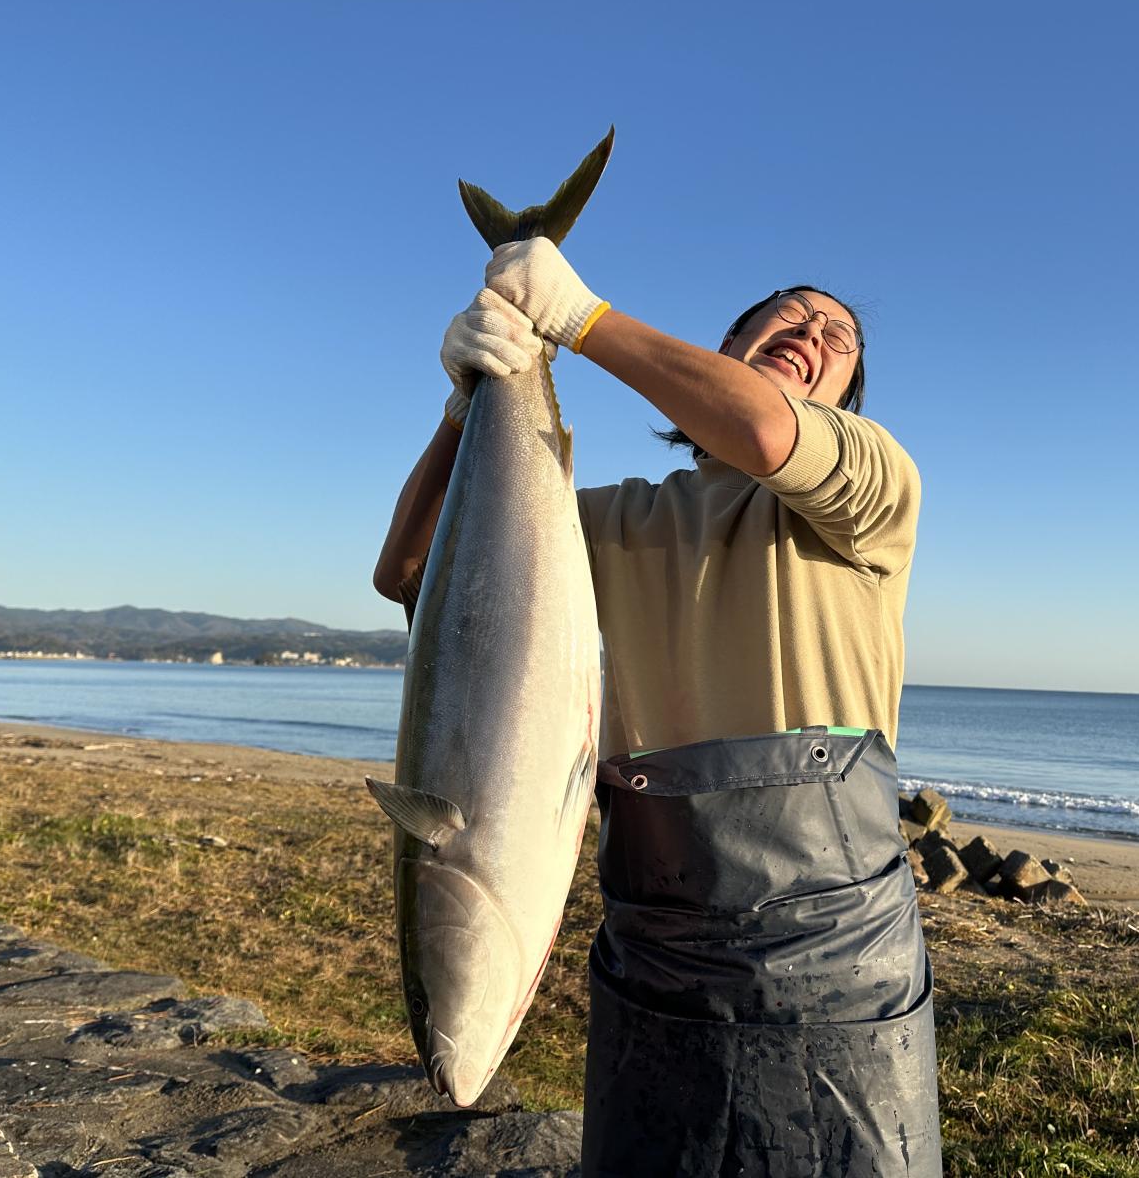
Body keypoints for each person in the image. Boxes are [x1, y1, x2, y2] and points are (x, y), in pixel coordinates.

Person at [375, 238, 941, 1176]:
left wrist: (580, 321)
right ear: (726, 345)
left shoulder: (872, 488)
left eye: (837, 335)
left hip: (835, 950)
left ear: (848, 396)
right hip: (656, 940)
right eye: (788, 314)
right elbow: (407, 571)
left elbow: (764, 434)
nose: (812, 330)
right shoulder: (603, 519)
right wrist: (470, 401)